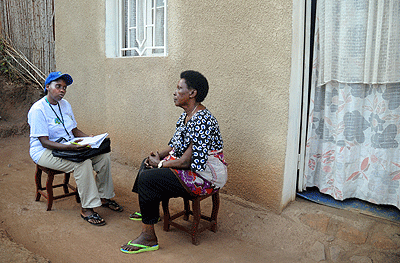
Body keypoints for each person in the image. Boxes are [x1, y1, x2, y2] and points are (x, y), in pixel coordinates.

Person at [121, 70, 228, 254]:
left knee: (149, 179)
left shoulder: (202, 119)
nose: (175, 92)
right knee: (145, 164)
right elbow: (174, 147)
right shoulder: (186, 115)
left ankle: (148, 238)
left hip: (203, 175)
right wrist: (156, 156)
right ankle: (148, 211)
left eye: (179, 88)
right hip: (190, 166)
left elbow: (187, 161)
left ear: (192, 93)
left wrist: (160, 164)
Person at [28, 71, 123, 226]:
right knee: (82, 163)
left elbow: (74, 130)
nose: (62, 90)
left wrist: (90, 139)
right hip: (45, 151)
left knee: (103, 157)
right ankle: (87, 209)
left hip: (68, 146)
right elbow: (44, 142)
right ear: (47, 87)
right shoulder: (38, 110)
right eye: (58, 86)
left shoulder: (65, 105)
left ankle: (104, 197)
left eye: (64, 87)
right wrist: (70, 147)